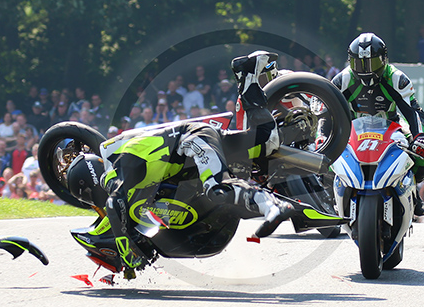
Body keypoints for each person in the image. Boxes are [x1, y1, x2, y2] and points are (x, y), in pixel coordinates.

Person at [65, 51, 295, 275]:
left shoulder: (117, 172)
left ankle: (272, 206)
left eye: (86, 197)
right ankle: (248, 75)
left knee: (217, 187)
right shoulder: (127, 173)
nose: (94, 204)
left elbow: (115, 205)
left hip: (191, 141)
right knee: (267, 140)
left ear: (90, 183)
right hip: (195, 144)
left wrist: (127, 252)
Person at [331, 33, 424, 216]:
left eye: (371, 63)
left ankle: (414, 190)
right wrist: (323, 138)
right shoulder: (342, 80)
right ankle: (328, 197)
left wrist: (420, 137)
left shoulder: (396, 78)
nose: (366, 70)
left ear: (384, 60)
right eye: (359, 64)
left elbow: (413, 111)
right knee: (323, 155)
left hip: (392, 127)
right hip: (352, 130)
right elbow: (328, 110)